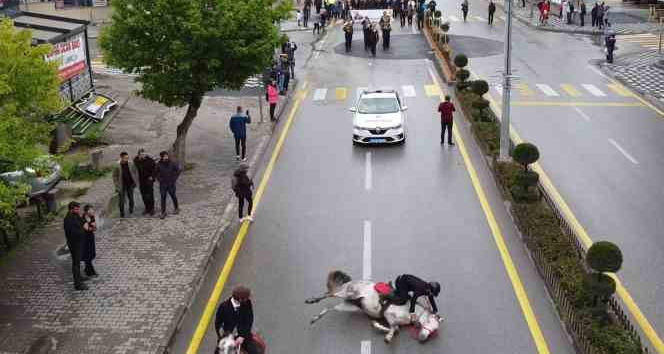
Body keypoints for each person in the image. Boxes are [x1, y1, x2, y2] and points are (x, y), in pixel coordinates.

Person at [215, 286, 258, 354]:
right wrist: (226, 337)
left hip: (243, 335)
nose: (248, 299)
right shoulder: (223, 307)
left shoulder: (247, 303)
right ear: (240, 299)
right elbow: (218, 324)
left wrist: (242, 336)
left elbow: (249, 320)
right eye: (247, 297)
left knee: (255, 352)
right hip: (228, 337)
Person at [64, 201, 87, 290]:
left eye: (78, 209)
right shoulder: (68, 220)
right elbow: (74, 232)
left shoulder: (75, 215)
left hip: (79, 243)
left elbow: (81, 221)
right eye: (77, 209)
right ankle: (77, 284)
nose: (78, 210)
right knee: (76, 263)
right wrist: (83, 230)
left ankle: (79, 277)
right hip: (74, 244)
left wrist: (84, 219)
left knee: (78, 261)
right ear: (71, 210)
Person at [112, 151, 139, 218]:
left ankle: (131, 210)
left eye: (127, 158)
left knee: (131, 199)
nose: (127, 159)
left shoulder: (131, 163)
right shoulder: (117, 165)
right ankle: (122, 213)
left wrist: (135, 180)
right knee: (121, 201)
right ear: (121, 158)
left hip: (130, 184)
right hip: (122, 185)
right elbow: (114, 176)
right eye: (125, 158)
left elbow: (135, 171)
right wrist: (117, 185)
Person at [154, 151, 180, 219]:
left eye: (167, 156)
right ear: (162, 157)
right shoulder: (159, 164)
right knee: (163, 197)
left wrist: (174, 178)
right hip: (163, 184)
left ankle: (176, 208)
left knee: (173, 195)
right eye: (164, 156)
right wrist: (160, 179)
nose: (166, 157)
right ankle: (163, 212)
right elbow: (156, 173)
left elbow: (178, 170)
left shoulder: (172, 163)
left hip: (171, 183)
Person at [134, 148, 156, 216]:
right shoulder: (136, 160)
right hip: (141, 181)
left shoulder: (150, 160)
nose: (143, 155)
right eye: (141, 154)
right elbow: (133, 169)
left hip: (149, 180)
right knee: (143, 195)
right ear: (139, 155)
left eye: (144, 154)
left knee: (150, 194)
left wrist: (152, 177)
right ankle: (147, 208)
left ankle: (152, 209)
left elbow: (155, 170)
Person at [82, 204, 98, 278]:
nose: (92, 211)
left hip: (90, 237)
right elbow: (87, 228)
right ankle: (90, 271)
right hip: (84, 238)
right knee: (87, 254)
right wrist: (91, 226)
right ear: (86, 211)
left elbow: (94, 228)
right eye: (91, 210)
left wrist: (91, 225)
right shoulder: (82, 218)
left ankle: (87, 269)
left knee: (92, 253)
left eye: (92, 210)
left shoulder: (92, 216)